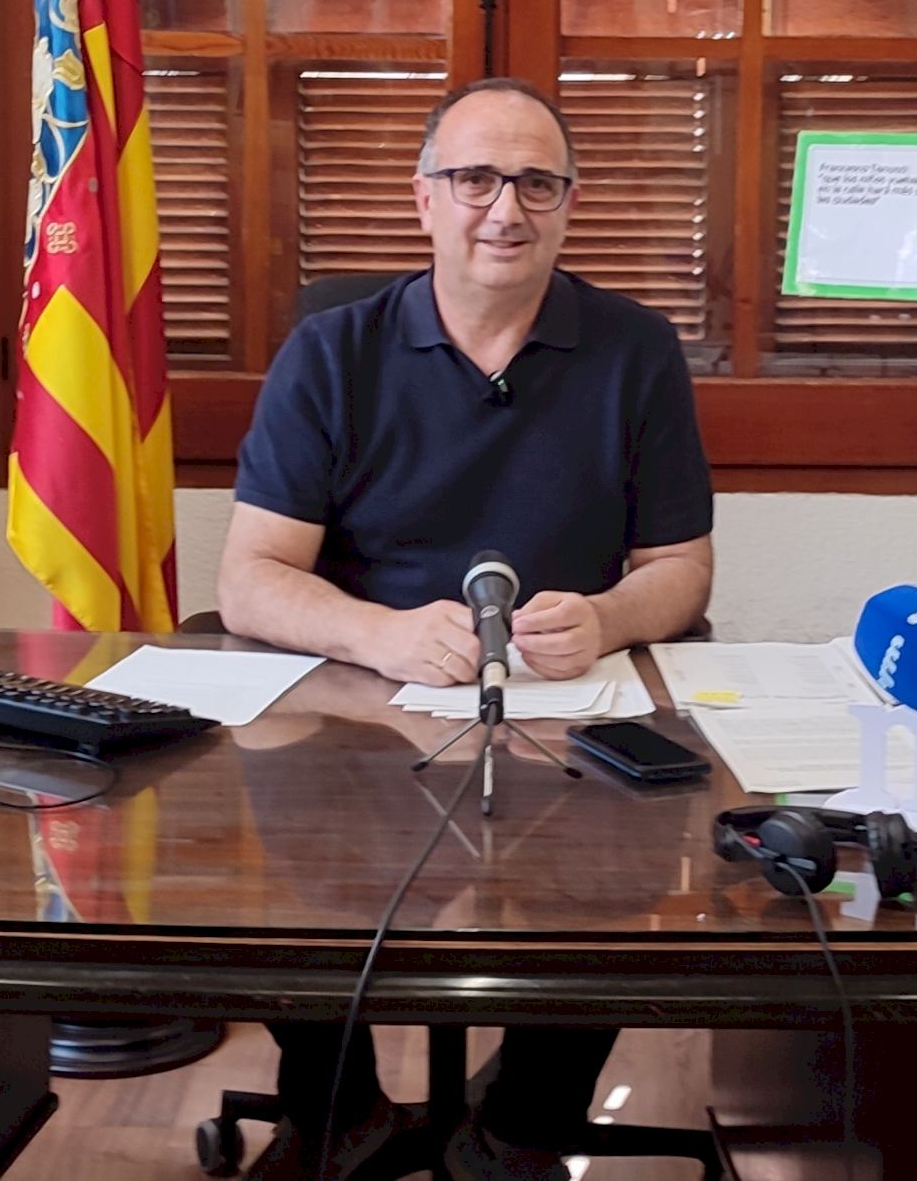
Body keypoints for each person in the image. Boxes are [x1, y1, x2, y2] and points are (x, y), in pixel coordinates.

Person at [218, 77, 714, 1180]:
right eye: (476, 178)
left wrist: (608, 617)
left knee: (612, 882)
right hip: (356, 710)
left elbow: (681, 571)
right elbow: (250, 580)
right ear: (424, 198)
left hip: (564, 706)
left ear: (570, 203)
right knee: (285, 881)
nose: (505, 209)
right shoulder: (332, 351)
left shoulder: (635, 349)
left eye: (537, 183)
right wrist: (379, 634)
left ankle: (522, 1128)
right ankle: (339, 1114)